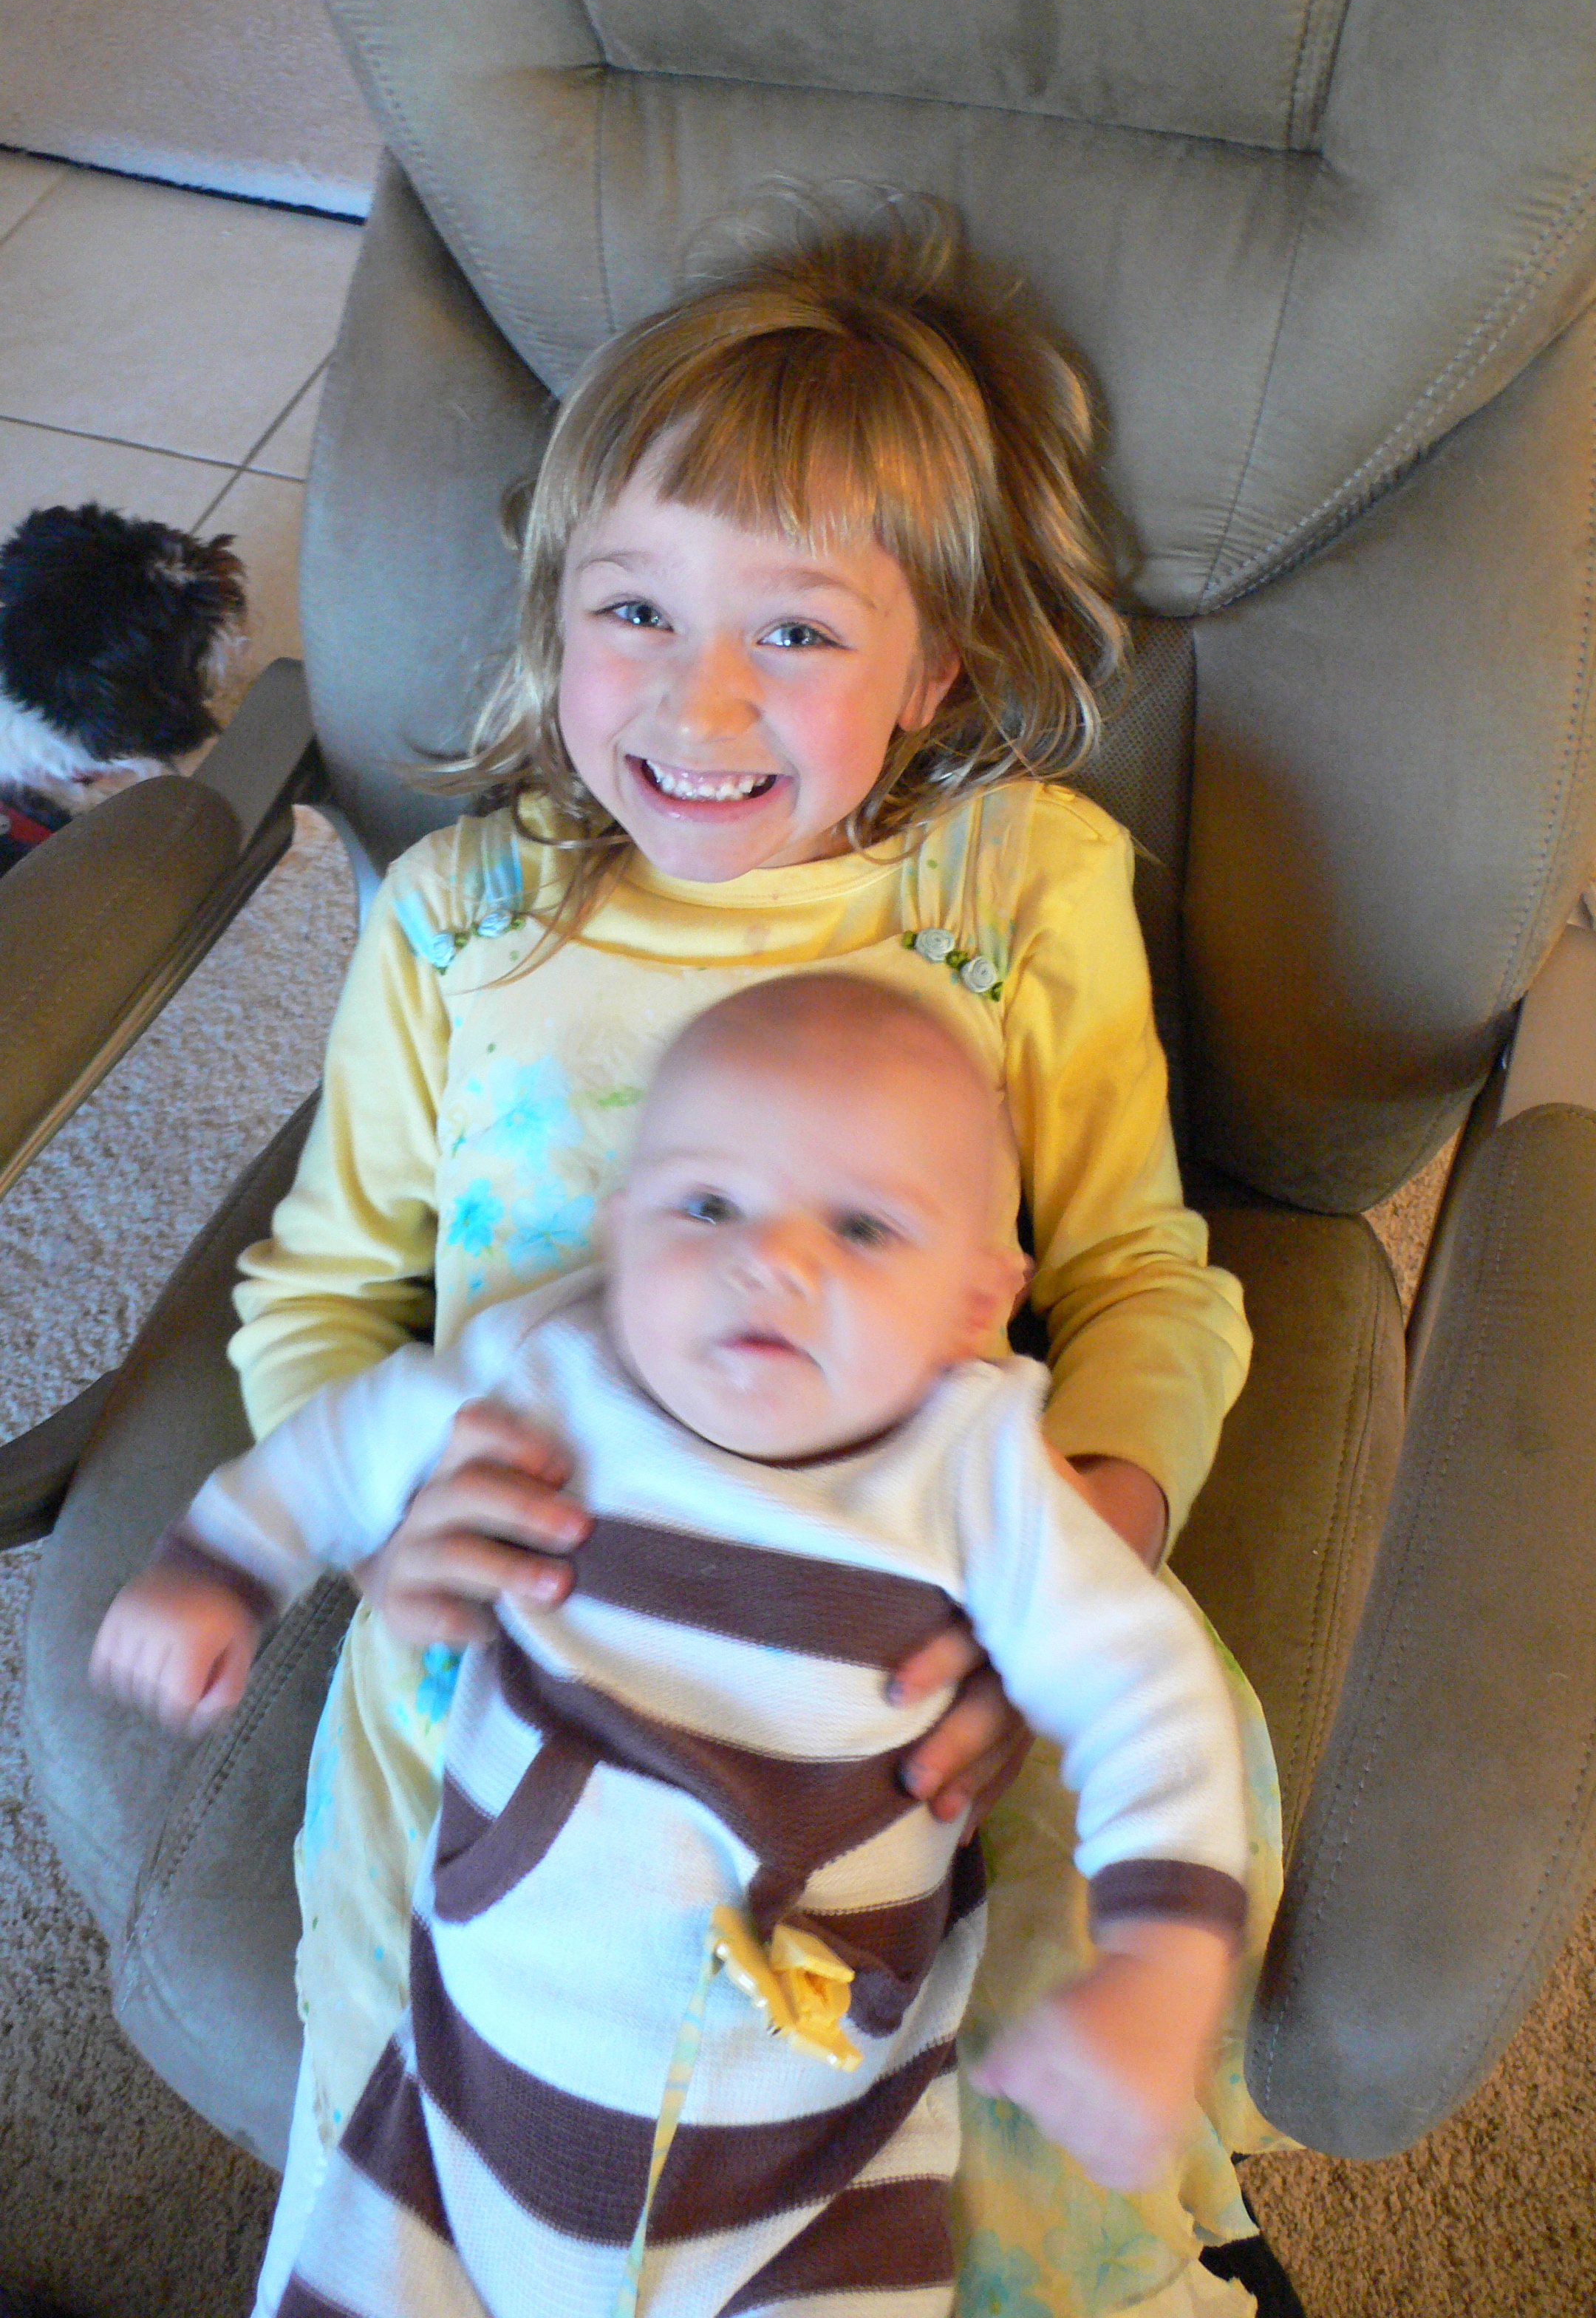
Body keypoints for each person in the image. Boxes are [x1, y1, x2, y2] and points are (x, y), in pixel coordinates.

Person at [208, 191, 1278, 2314]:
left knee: (1012, 2181)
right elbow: (318, 1293)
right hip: (523, 1654)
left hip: (922, 1649)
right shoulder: (464, 924)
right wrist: (396, 1525)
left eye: (795, 632)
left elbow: (1148, 1275)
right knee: (433, 2169)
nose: (699, 696)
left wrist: (1086, 1538)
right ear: (556, 621)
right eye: (635, 608)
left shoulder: (1013, 895)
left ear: (935, 666)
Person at [95, 978, 1249, 2318]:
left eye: (864, 1228)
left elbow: (1147, 1689)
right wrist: (215, 1571)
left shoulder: (978, 1477)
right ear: (620, 1224)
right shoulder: (555, 1369)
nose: (772, 1261)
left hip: (812, 2185)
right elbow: (351, 1439)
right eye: (707, 1206)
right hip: (464, 2131)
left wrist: (1164, 1958)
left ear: (974, 1300)